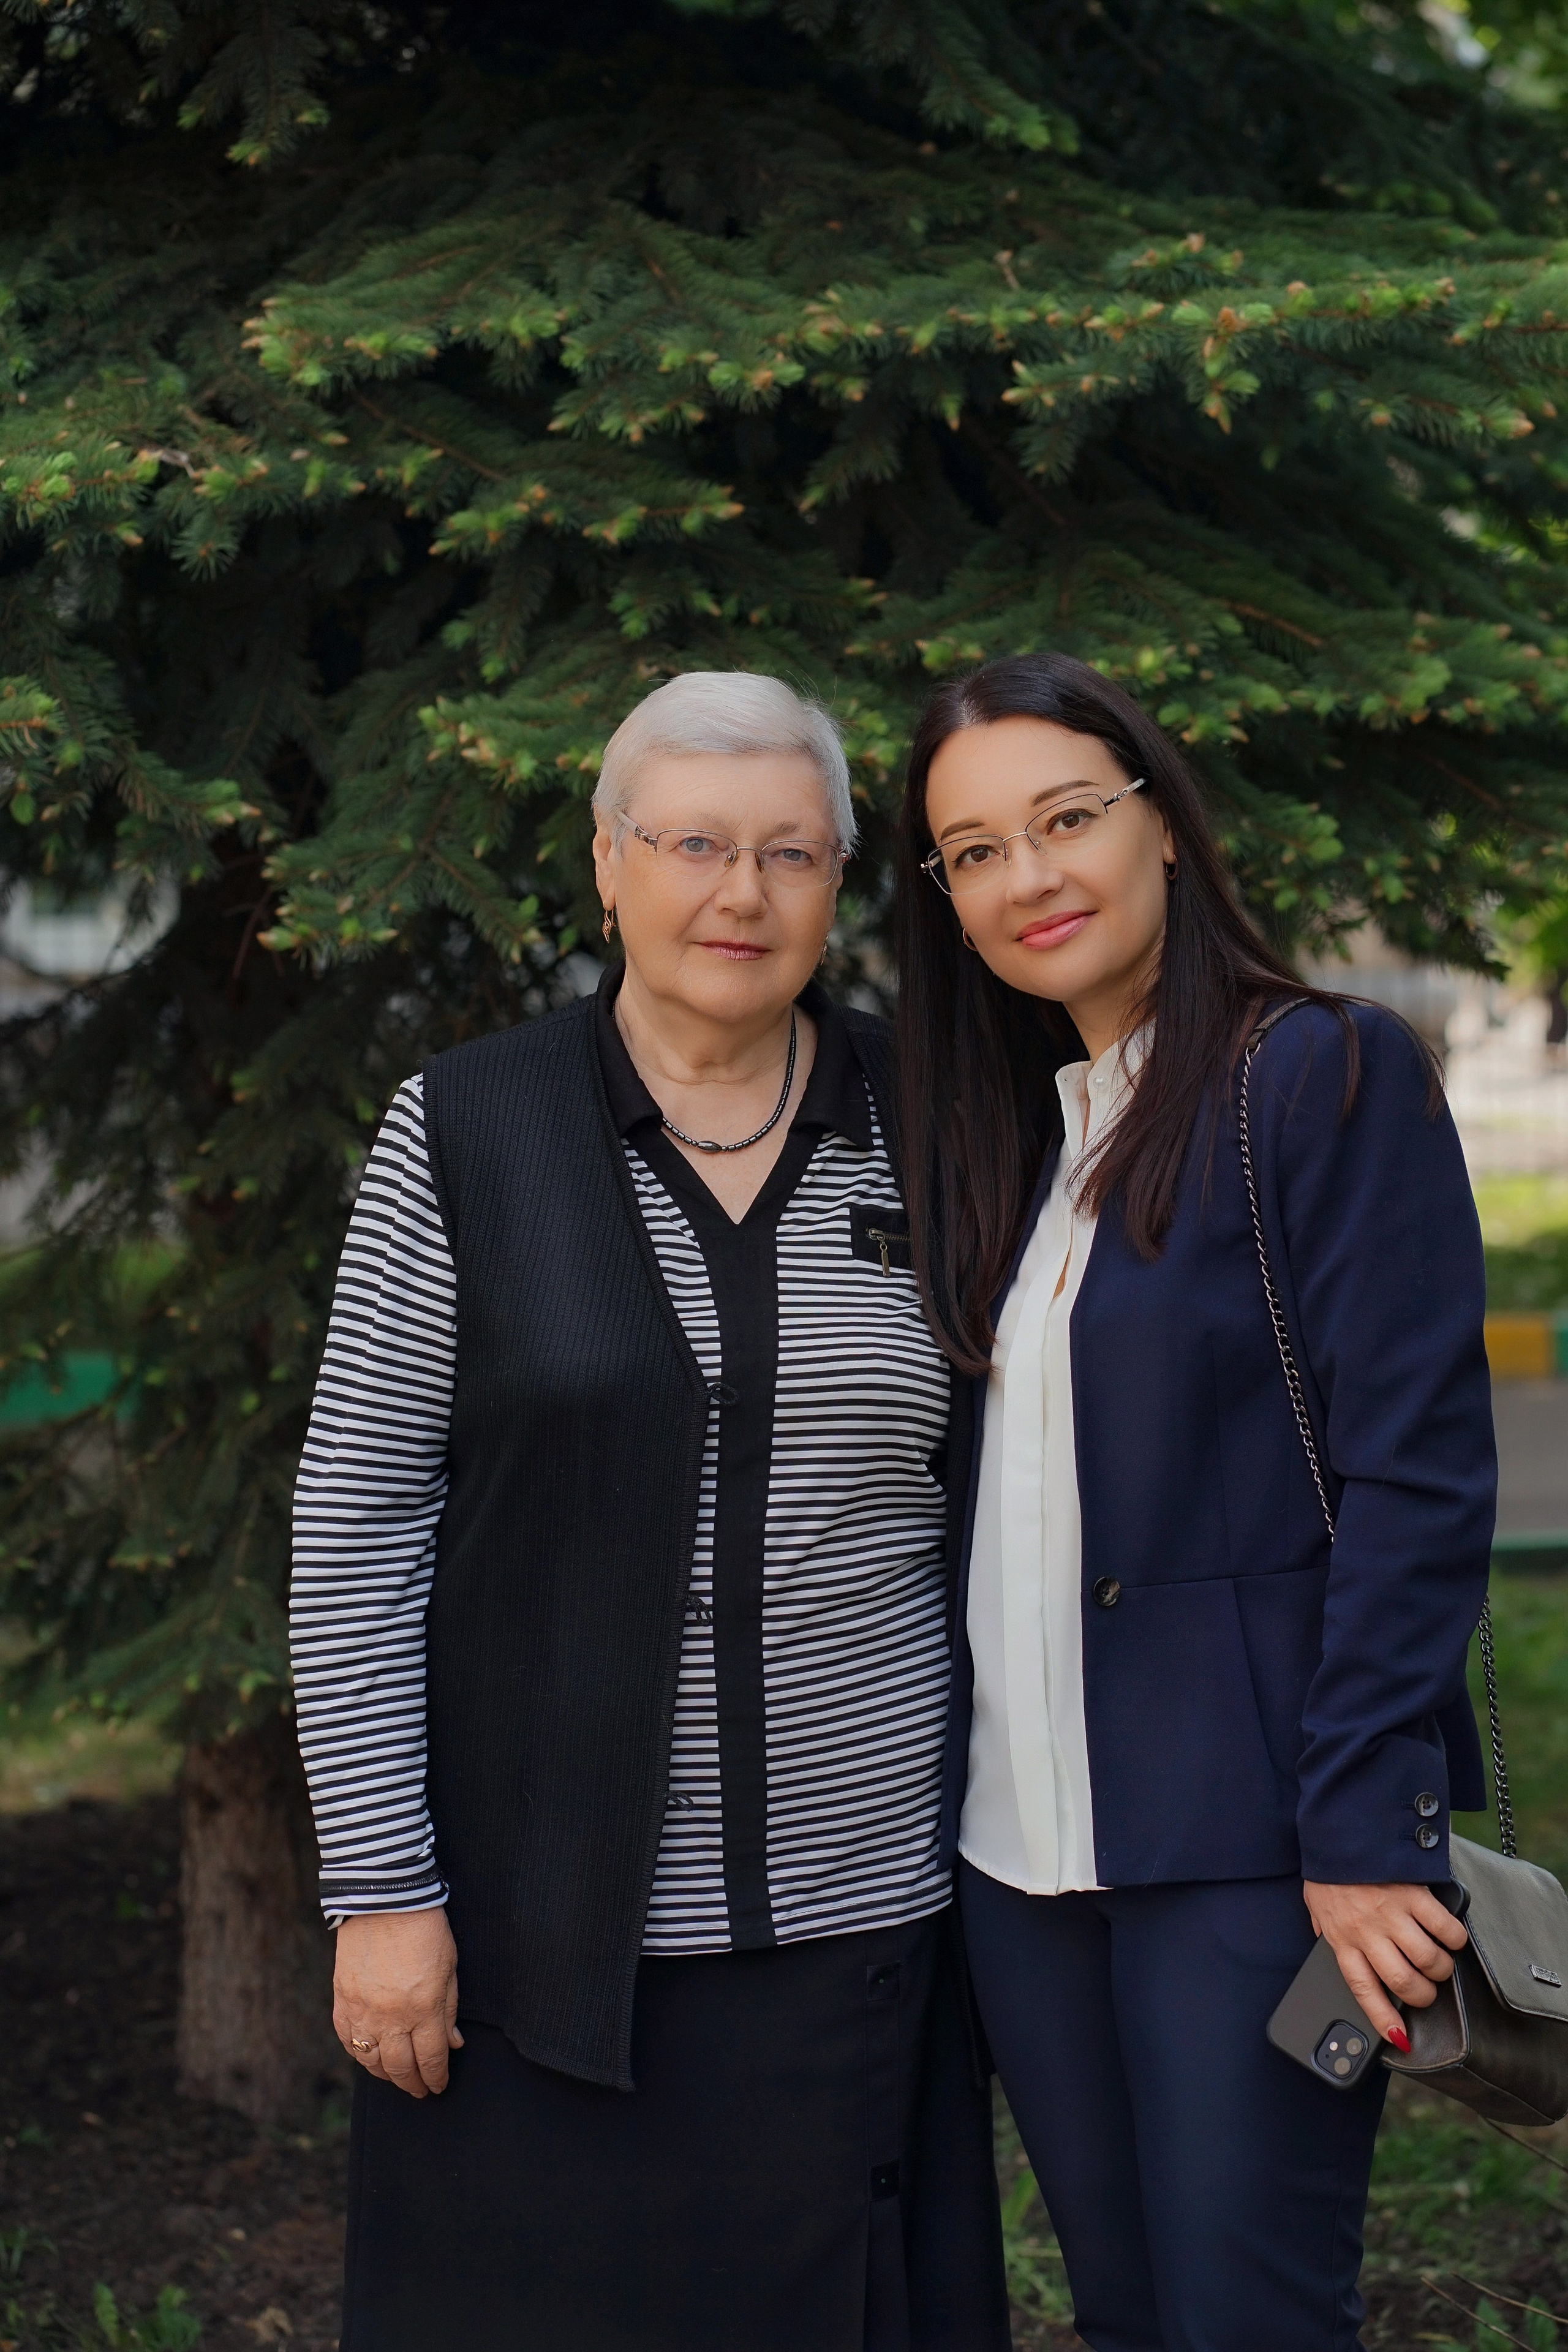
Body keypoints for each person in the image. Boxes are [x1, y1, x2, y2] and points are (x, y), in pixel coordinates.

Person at [290, 671, 1009, 2352]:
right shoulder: (471, 1127)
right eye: (692, 843)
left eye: (791, 852)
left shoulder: (946, 1121)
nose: (739, 894)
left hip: (856, 1929)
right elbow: (356, 1532)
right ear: (609, 865)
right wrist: (383, 1894)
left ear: (845, 879)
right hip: (527, 1942)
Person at [892, 651, 1497, 2351]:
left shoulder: (1321, 1075)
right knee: (1131, 2314)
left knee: (1251, 2314)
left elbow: (1419, 1471)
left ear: (1162, 821)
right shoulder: (1019, 1134)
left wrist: (1371, 1829)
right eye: (977, 851)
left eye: (1067, 818)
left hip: (1257, 1855)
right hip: (1021, 1863)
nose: (1032, 877)